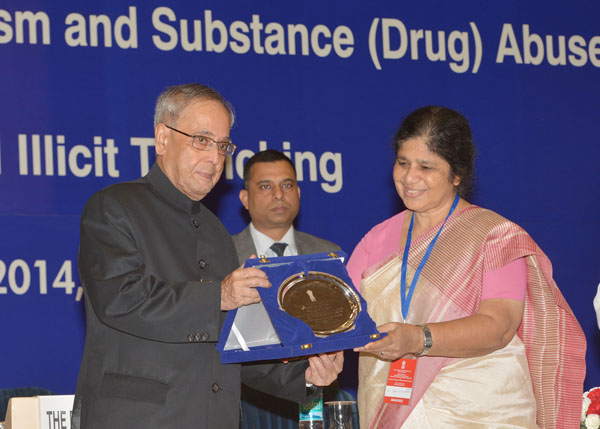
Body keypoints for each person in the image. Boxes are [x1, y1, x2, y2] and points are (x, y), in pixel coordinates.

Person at [72, 83, 343, 429]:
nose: (215, 158)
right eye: (201, 140)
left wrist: (305, 375)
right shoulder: (113, 207)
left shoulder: (216, 233)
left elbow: (235, 339)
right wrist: (219, 296)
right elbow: (120, 299)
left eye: (223, 146)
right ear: (162, 138)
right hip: (140, 418)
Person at [348, 106, 585, 428]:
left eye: (426, 167)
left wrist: (417, 339)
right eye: (403, 162)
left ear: (457, 174)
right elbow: (342, 318)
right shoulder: (377, 239)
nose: (409, 177)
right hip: (392, 409)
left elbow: (499, 326)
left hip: (481, 412)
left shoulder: (493, 236)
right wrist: (328, 354)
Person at [232, 149, 342, 425]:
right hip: (244, 402)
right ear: (245, 198)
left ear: (299, 193)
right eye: (266, 186)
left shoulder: (328, 254)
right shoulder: (223, 258)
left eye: (287, 185)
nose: (279, 194)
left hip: (316, 396)